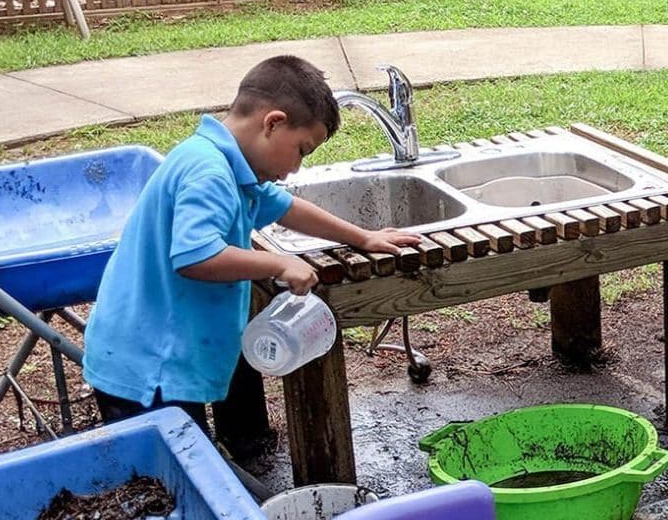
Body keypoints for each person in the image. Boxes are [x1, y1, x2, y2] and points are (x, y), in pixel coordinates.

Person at [83, 55, 423, 439]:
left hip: (163, 351)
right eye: (301, 150)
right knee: (165, 480)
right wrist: (278, 264)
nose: (296, 168)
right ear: (273, 123)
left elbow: (288, 208)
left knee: (190, 462)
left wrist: (363, 238)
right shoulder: (208, 172)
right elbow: (197, 256)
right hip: (148, 364)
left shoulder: (231, 167)